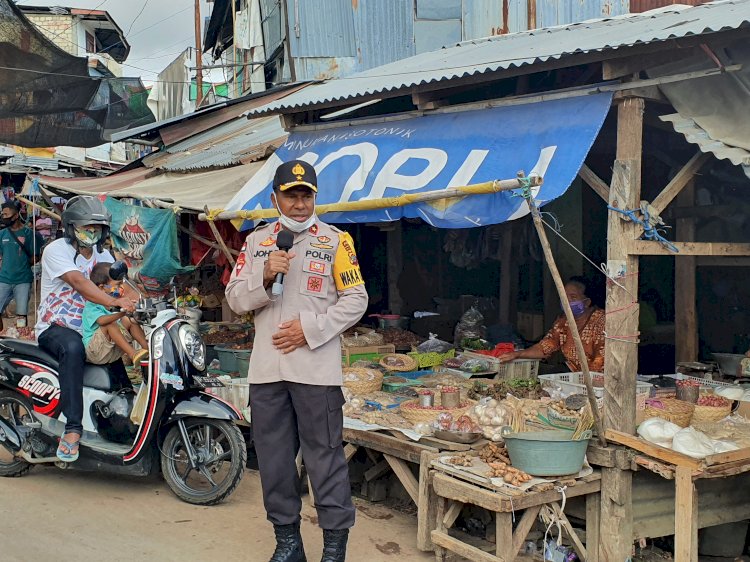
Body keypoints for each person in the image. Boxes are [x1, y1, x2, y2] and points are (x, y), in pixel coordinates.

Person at [226, 160, 368, 562]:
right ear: (275, 198)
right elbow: (235, 299)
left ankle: (334, 550)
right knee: (273, 462)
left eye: (306, 195)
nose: (300, 203)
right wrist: (265, 277)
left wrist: (312, 329)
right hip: (267, 370)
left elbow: (357, 300)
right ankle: (288, 543)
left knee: (325, 460)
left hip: (316, 371)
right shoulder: (256, 244)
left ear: (315, 198)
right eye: (292, 194)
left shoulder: (337, 241)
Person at [35, 196, 135, 463]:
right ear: (71, 227)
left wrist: (137, 300)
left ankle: (127, 415)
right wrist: (114, 302)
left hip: (92, 324)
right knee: (73, 348)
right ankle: (72, 428)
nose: (91, 232)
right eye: (86, 227)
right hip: (57, 325)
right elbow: (79, 282)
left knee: (123, 343)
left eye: (97, 228)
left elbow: (121, 282)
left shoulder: (104, 254)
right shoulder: (56, 250)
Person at [499, 278, 605, 372]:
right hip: (573, 372)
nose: (566, 301)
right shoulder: (563, 322)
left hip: (598, 378)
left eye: (573, 297)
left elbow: (600, 362)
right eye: (564, 296)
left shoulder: (601, 321)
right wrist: (517, 354)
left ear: (587, 302)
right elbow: (545, 347)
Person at [82, 262, 149, 366]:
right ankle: (132, 353)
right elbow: (102, 321)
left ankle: (148, 350)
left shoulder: (116, 300)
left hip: (111, 348)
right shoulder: (92, 304)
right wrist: (122, 313)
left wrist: (133, 308)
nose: (120, 288)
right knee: (110, 324)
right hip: (95, 351)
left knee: (129, 320)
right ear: (101, 287)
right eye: (117, 285)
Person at [0, 201, 44, 330]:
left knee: (21, 316)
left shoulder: (30, 234)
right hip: (4, 279)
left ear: (16, 216)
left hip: (23, 280)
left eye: (6, 214)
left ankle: (20, 339)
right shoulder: (2, 234)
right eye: (2, 214)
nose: (3, 217)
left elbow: (36, 256)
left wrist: (32, 259)